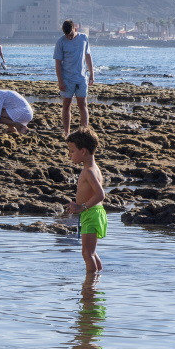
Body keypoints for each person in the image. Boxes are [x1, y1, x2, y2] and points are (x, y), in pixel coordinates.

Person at [65, 128, 106, 276]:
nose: (70, 155)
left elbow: (101, 195)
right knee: (91, 253)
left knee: (86, 253)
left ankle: (90, 286)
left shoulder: (88, 171)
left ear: (83, 151)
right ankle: (97, 278)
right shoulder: (94, 168)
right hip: (94, 213)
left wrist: (82, 207)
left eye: (72, 151)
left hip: (91, 213)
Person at [54, 20, 94, 137]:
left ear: (75, 29)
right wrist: (60, 81)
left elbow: (88, 56)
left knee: (83, 104)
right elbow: (57, 63)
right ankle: (67, 132)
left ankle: (84, 132)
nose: (69, 38)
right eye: (67, 35)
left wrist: (92, 74)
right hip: (67, 79)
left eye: (71, 35)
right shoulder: (60, 42)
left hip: (81, 78)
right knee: (67, 104)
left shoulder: (83, 38)